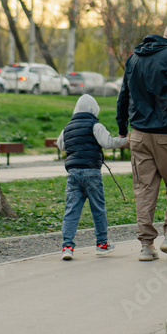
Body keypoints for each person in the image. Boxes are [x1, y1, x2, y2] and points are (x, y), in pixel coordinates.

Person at [117, 19, 167, 261]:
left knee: (144, 189)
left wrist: (123, 128)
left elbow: (124, 94)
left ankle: (146, 245)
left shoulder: (134, 58)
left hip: (140, 134)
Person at [57, 93, 130, 261]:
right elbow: (107, 143)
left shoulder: (67, 127)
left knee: (71, 210)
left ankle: (67, 247)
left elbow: (61, 145)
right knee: (98, 209)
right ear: (93, 109)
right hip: (91, 172)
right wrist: (124, 140)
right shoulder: (95, 125)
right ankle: (102, 245)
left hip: (73, 173)